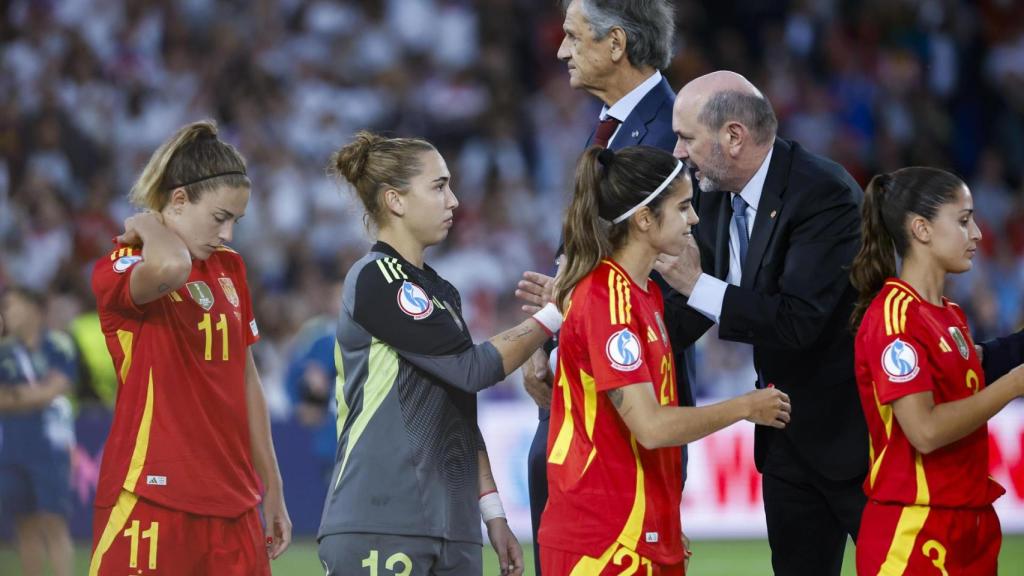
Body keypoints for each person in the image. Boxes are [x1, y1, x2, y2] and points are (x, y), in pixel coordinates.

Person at [317, 131, 562, 576]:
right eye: (438, 186)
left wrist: (493, 515)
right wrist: (555, 313)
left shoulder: (441, 292)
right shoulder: (376, 278)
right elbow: (474, 369)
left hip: (453, 528)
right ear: (396, 200)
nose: (453, 200)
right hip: (382, 519)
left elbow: (458, 412)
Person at [539, 145, 790, 574]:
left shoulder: (645, 296)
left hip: (640, 530)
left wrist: (660, 518)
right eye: (684, 207)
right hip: (604, 540)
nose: (694, 219)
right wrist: (746, 408)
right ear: (644, 219)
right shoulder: (608, 300)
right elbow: (651, 427)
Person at [655, 70, 867, 575]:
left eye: (686, 138)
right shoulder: (710, 193)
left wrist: (696, 286)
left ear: (733, 136)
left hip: (856, 440)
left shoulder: (824, 194)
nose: (678, 152)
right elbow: (690, 312)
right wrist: (603, 329)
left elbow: (799, 322)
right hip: (783, 436)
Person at [518, 3, 691, 570]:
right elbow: (589, 262)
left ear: (616, 43)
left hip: (629, 400)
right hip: (580, 390)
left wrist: (584, 323)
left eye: (572, 36)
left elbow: (694, 269)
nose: (562, 50)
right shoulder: (609, 129)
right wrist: (553, 334)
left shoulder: (680, 129)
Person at [88, 120, 291, 575]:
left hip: (235, 502)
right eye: (220, 218)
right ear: (178, 199)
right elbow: (171, 266)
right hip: (152, 496)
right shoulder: (122, 264)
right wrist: (146, 222)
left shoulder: (230, 269)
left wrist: (272, 485)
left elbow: (246, 378)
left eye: (236, 221)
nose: (228, 234)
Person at [849, 167, 1024, 574]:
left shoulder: (951, 316)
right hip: (915, 532)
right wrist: (1014, 383)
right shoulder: (894, 319)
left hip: (969, 524)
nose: (978, 233)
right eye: (963, 221)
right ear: (921, 229)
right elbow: (924, 432)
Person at [0, 287, 76, 576]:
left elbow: (57, 388)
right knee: (24, 527)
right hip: (12, 447)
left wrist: (15, 396)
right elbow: (43, 392)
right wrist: (36, 394)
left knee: (54, 524)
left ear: (33, 308)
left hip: (49, 447)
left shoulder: (57, 344)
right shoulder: (5, 351)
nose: (8, 313)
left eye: (13, 306)